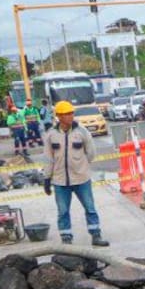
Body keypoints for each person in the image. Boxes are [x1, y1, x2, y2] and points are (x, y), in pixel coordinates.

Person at [43, 101, 108, 247]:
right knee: (63, 211)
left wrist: (82, 165)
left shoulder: (82, 132)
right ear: (59, 116)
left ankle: (96, 235)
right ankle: (66, 238)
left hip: (81, 179)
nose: (71, 116)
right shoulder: (51, 135)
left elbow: (91, 153)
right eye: (67, 114)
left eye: (71, 113)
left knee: (90, 208)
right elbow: (48, 158)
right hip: (60, 181)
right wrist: (47, 178)